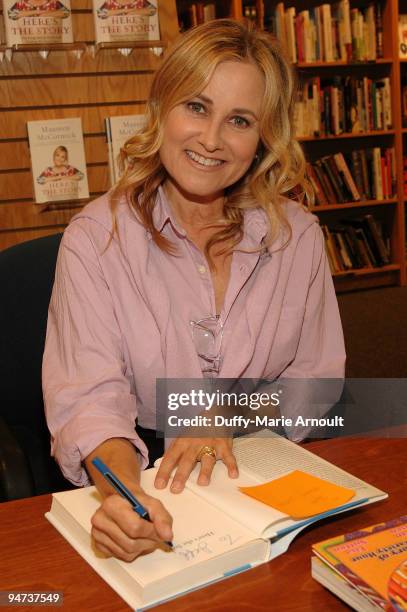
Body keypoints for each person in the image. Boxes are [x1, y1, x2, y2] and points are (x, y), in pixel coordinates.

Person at [43, 19, 345, 563]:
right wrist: (124, 495)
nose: (211, 140)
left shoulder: (297, 235)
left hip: (264, 479)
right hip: (151, 479)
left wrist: (229, 414)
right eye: (197, 107)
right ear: (162, 110)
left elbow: (316, 385)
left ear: (263, 137)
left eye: (239, 120)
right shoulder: (95, 239)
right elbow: (92, 403)